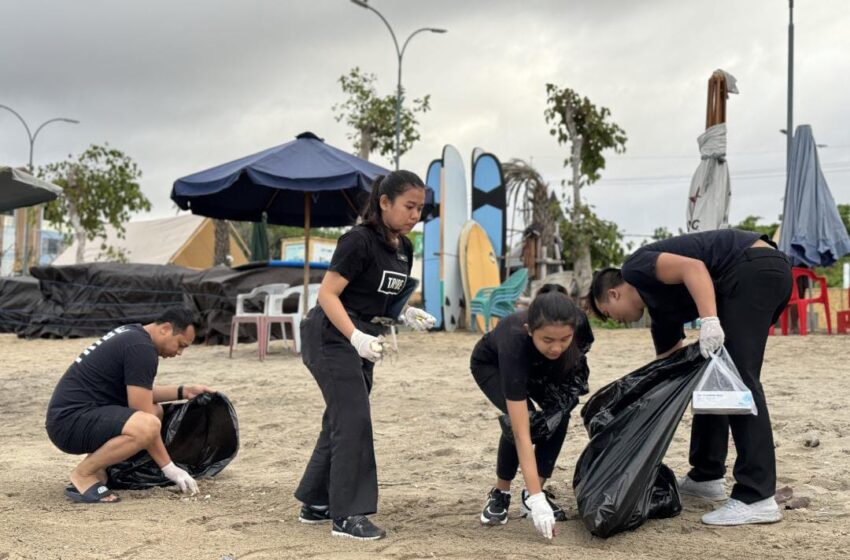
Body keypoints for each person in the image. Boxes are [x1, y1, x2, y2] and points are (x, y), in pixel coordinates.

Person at [588, 228, 792, 526]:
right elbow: (669, 371)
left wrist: (709, 321)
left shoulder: (636, 267)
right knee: (712, 376)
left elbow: (693, 268)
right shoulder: (661, 317)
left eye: (607, 313)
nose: (614, 321)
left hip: (755, 268)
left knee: (738, 381)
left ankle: (756, 496)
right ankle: (706, 475)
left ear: (613, 293)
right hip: (748, 277)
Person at [294, 170, 436, 541]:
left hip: (366, 339)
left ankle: (316, 502)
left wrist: (405, 313)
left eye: (420, 208)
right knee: (354, 417)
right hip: (330, 335)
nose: (415, 215)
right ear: (384, 202)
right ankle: (348, 515)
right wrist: (355, 335)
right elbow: (327, 295)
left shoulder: (404, 248)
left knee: (342, 417)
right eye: (409, 206)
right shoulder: (357, 241)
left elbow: (386, 298)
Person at [45, 307, 214, 503]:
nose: (179, 353)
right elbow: (143, 415)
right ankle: (83, 474)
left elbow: (141, 393)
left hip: (71, 418)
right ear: (166, 329)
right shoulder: (141, 348)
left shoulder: (134, 335)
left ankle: (98, 468)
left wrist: (184, 391)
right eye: (180, 345)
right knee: (148, 423)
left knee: (154, 412)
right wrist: (170, 468)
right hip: (68, 424)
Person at [470, 284, 594, 540]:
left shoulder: (578, 325)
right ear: (530, 330)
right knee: (525, 419)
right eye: (548, 339)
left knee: (559, 413)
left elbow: (571, 359)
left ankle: (531, 492)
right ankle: (501, 492)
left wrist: (534, 493)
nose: (557, 347)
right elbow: (521, 432)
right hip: (493, 365)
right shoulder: (513, 339)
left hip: (543, 365)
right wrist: (541, 500)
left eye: (564, 339)